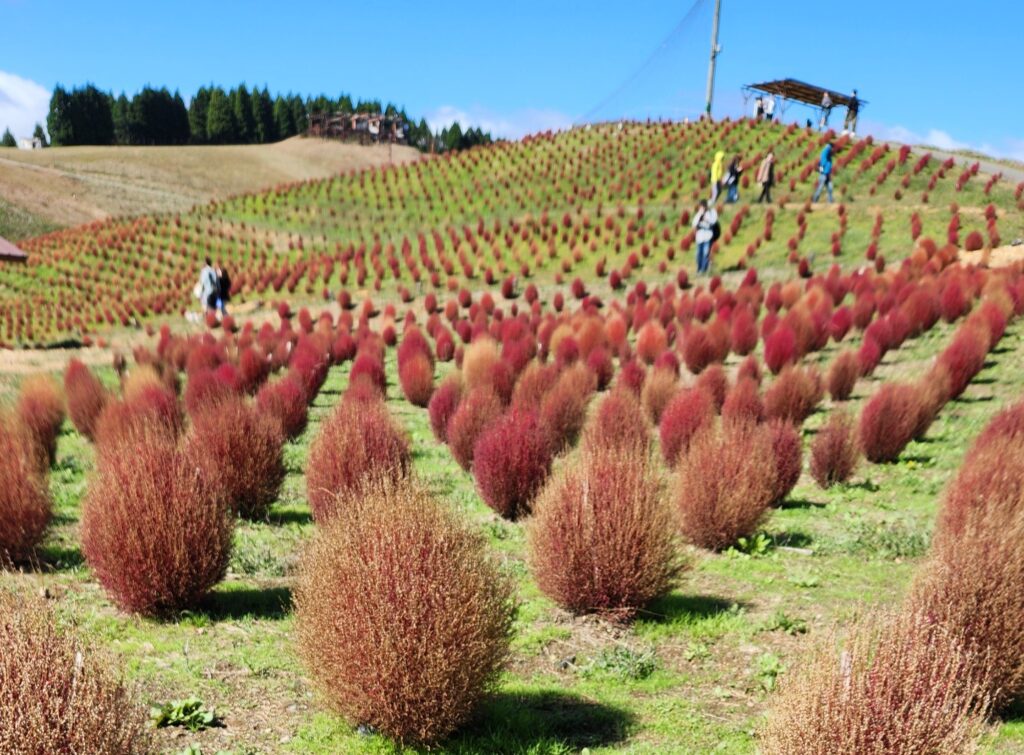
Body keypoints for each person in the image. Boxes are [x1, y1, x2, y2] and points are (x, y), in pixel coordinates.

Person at [692, 199, 718, 275]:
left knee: (705, 253)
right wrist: (700, 216)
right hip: (699, 237)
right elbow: (693, 223)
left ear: (705, 206)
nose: (701, 208)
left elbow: (713, 222)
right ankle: (699, 269)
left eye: (702, 206)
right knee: (698, 254)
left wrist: (706, 219)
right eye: (700, 207)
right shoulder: (698, 214)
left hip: (708, 236)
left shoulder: (711, 213)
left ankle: (703, 270)